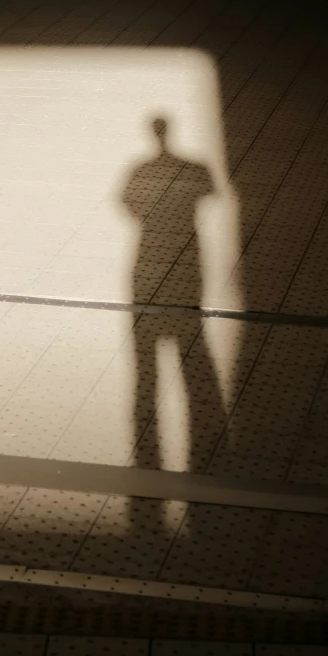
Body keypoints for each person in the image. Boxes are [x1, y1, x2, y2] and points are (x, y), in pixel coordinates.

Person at [119, 115, 226, 472]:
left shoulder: (140, 169)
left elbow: (127, 206)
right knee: (191, 335)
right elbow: (212, 192)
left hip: (150, 252)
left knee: (145, 353)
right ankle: (207, 429)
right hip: (186, 248)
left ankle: (146, 439)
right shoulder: (193, 167)